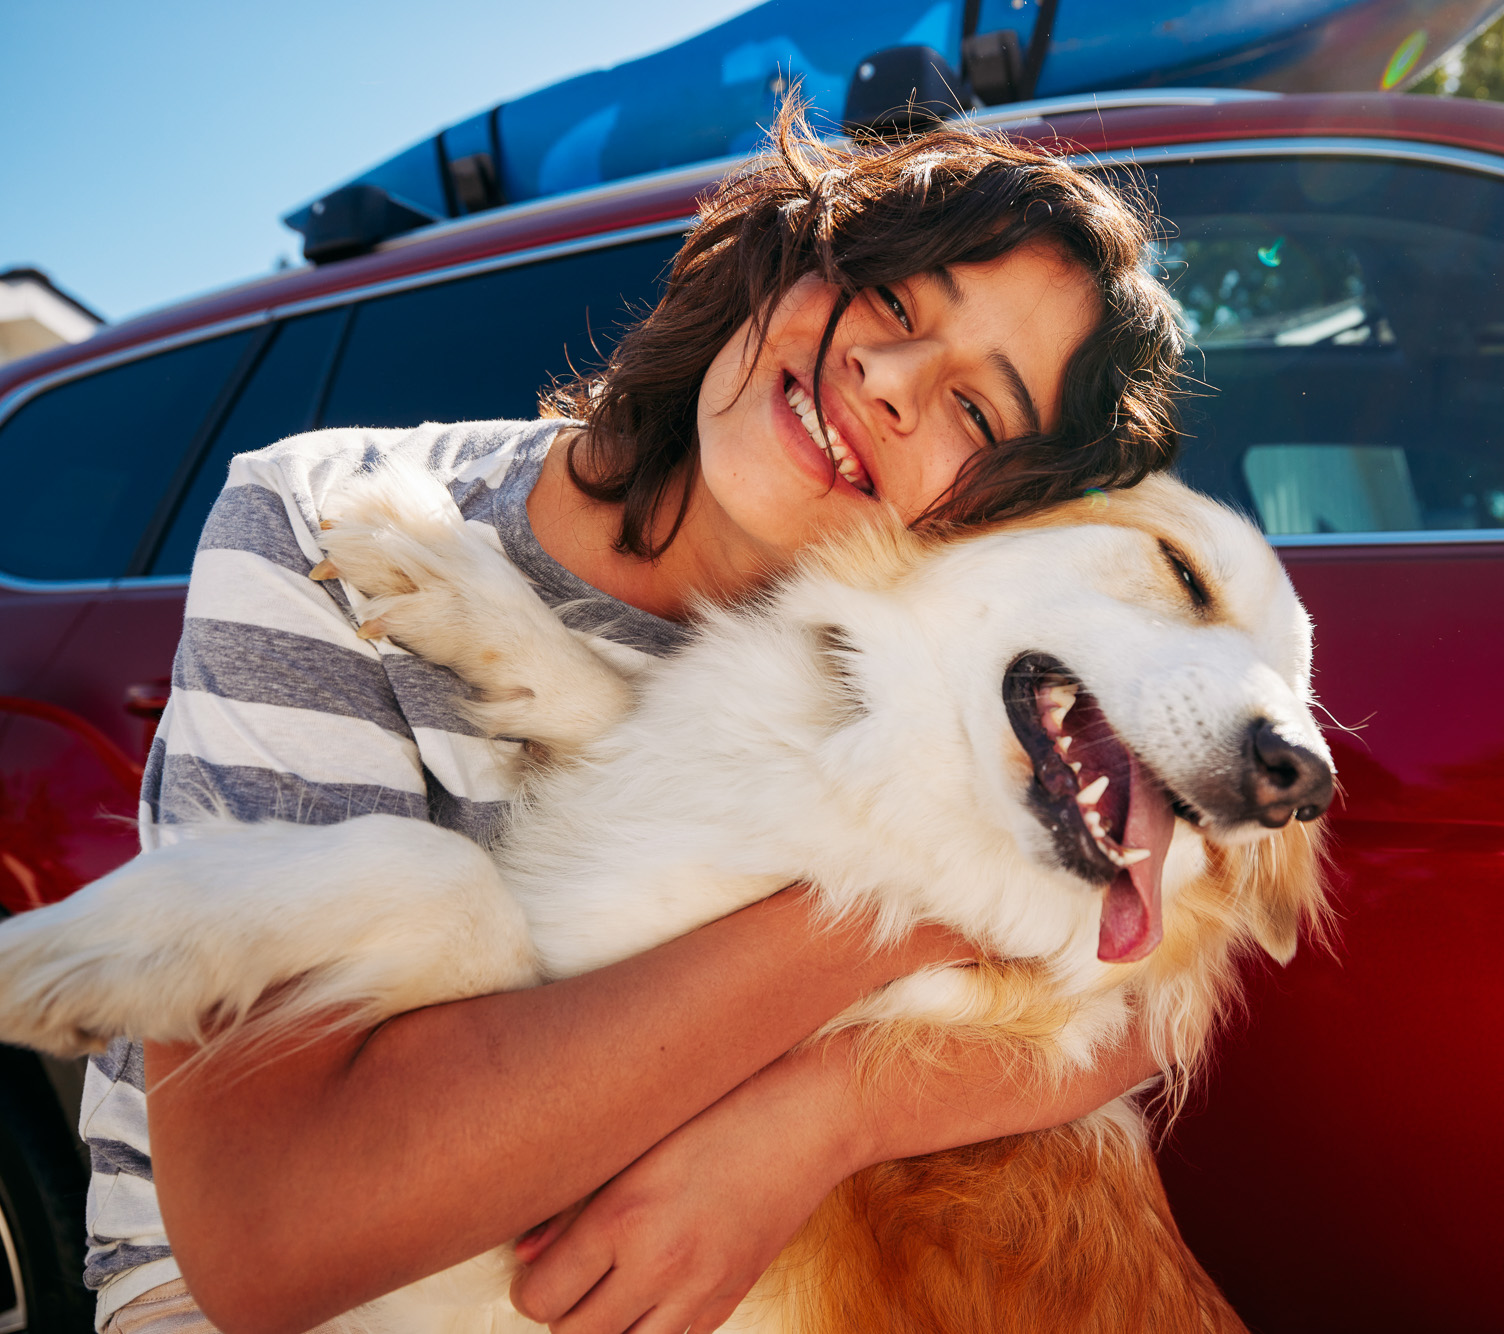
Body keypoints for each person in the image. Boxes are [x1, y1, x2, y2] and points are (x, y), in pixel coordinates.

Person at [82, 107, 1188, 1334]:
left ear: (997, 514)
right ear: (792, 254)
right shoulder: (327, 517)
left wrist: (819, 1117)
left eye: (977, 414)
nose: (886, 379)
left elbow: (1145, 979)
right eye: (888, 298)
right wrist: (898, 917)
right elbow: (273, 1235)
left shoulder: (943, 664)